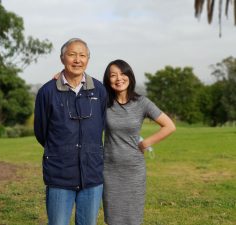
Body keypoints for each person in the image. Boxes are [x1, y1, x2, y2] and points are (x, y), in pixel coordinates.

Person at [34, 38, 107, 225]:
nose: (77, 60)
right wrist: (61, 151)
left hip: (92, 175)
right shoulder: (47, 91)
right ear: (62, 58)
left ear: (88, 59)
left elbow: (102, 123)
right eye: (72, 54)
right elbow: (42, 132)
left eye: (82, 55)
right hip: (59, 174)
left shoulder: (99, 90)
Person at [102, 59, 176, 225]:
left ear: (130, 76)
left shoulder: (142, 103)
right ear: (108, 80)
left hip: (134, 170)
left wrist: (145, 143)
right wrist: (64, 75)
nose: (118, 78)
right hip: (109, 170)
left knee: (133, 219)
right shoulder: (103, 103)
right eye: (113, 75)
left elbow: (169, 126)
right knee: (113, 219)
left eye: (123, 73)